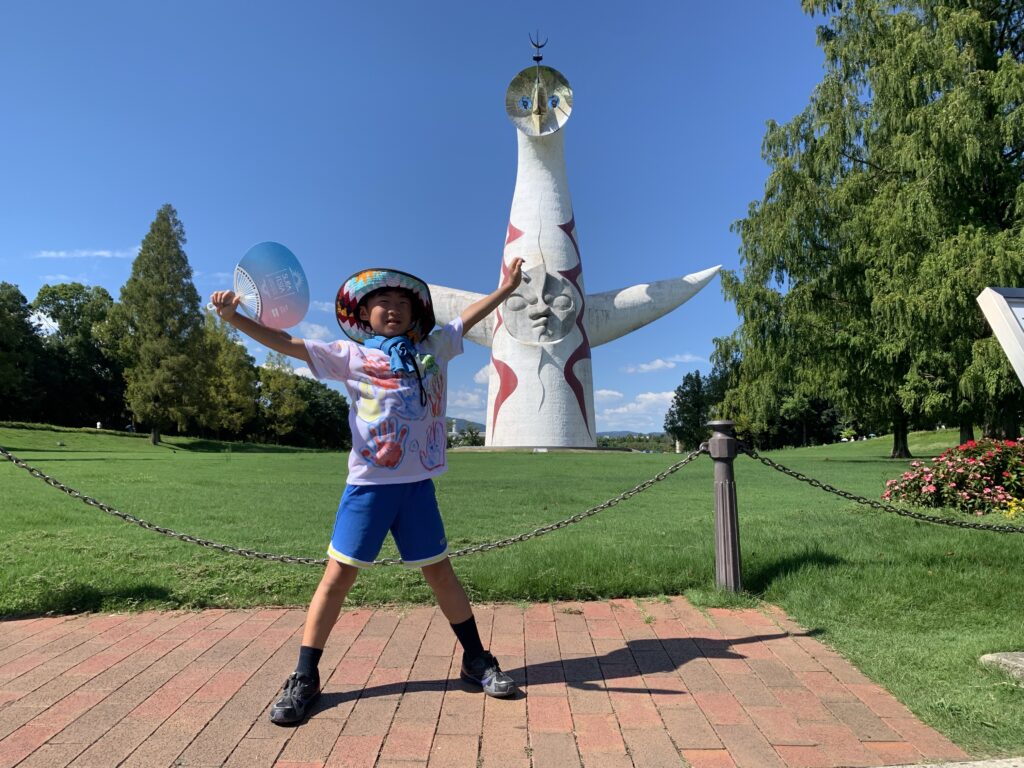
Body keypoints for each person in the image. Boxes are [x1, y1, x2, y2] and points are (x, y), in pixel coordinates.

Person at [210, 257, 524, 725]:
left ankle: (476, 659)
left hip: (416, 488)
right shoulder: (350, 356)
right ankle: (305, 676)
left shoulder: (432, 348)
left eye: (402, 303)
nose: (393, 308)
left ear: (415, 316)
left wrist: (506, 288)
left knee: (441, 575)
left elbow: (468, 317)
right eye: (382, 302)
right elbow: (288, 344)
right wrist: (235, 318)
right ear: (363, 315)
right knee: (337, 578)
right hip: (368, 487)